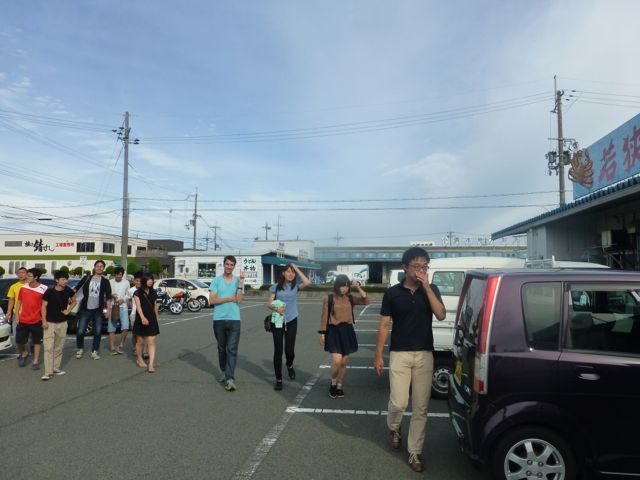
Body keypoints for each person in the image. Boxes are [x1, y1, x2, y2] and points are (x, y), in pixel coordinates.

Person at [373, 247, 446, 473]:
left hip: (424, 354)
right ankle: (394, 427)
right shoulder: (392, 293)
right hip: (399, 353)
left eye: (424, 266)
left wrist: (427, 287)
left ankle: (415, 451)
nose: (420, 270)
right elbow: (384, 325)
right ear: (405, 267)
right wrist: (378, 355)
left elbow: (441, 314)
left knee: (420, 408)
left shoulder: (431, 289)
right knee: (399, 402)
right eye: (416, 266)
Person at [319, 275, 369, 398]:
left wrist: (358, 287)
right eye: (342, 286)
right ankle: (333, 383)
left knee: (343, 362)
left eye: (347, 286)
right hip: (333, 331)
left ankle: (339, 386)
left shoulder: (350, 298)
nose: (344, 288)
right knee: (337, 360)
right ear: (337, 286)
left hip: (347, 330)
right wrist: (322, 334)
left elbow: (366, 300)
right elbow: (324, 317)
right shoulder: (329, 298)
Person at [266, 263, 311, 390]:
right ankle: (279, 379)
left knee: (289, 351)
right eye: (288, 271)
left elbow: (307, 283)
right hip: (277, 320)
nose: (291, 274)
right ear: (283, 273)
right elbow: (269, 303)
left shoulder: (295, 286)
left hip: (292, 320)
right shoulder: (275, 287)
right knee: (278, 351)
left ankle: (289, 365)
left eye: (293, 272)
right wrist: (276, 308)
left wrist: (296, 268)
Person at [209, 255, 244, 392]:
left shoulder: (237, 281)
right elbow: (212, 300)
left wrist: (240, 284)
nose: (229, 266)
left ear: (234, 266)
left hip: (234, 319)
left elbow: (239, 300)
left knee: (232, 349)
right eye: (227, 264)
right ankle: (224, 370)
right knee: (222, 348)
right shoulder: (216, 281)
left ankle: (230, 378)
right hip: (219, 319)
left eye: (231, 265)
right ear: (223, 264)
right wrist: (229, 298)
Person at [41, 270, 77, 380]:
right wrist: (44, 321)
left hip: (62, 323)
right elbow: (43, 306)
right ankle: (48, 372)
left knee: (59, 347)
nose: (66, 281)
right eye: (63, 279)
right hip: (49, 323)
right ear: (57, 280)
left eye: (67, 279)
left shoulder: (68, 290)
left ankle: (56, 368)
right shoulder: (49, 292)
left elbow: (74, 301)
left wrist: (68, 310)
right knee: (48, 347)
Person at [74, 260, 112, 360]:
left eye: (101, 266)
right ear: (94, 267)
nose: (99, 268)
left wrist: (108, 309)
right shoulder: (87, 278)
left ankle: (94, 351)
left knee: (98, 332)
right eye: (97, 266)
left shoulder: (105, 281)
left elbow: (108, 297)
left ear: (103, 268)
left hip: (98, 310)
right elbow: (76, 289)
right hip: (85, 309)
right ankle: (80, 348)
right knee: (80, 331)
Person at [14, 268, 48, 370]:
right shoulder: (23, 288)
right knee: (19, 341)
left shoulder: (44, 288)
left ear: (36, 277)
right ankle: (24, 353)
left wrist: (44, 319)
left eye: (29, 275)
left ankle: (35, 361)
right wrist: (16, 314)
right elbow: (19, 301)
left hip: (37, 320)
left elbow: (46, 305)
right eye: (27, 275)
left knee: (37, 341)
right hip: (23, 320)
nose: (27, 277)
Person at [132, 273, 159, 373]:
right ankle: (139, 359)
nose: (151, 281)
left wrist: (156, 317)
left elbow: (155, 306)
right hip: (141, 319)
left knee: (151, 341)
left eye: (151, 279)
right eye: (148, 279)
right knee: (140, 341)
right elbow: (138, 307)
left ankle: (151, 364)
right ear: (144, 281)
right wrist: (143, 317)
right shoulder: (137, 293)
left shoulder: (154, 292)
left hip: (152, 319)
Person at [108, 266, 130, 355]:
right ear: (115, 274)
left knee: (125, 327)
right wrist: (111, 295)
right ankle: (112, 347)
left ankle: (121, 345)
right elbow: (107, 293)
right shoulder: (110, 282)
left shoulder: (126, 282)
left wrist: (123, 299)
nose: (118, 276)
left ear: (122, 275)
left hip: (123, 307)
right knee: (111, 328)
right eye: (117, 274)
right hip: (113, 307)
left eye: (120, 275)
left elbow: (128, 294)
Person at [6, 267, 28, 344]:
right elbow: (11, 300)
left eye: (23, 272)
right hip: (17, 314)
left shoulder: (30, 285)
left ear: (27, 274)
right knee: (17, 336)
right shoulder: (13, 286)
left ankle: (30, 348)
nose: (20, 274)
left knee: (30, 336)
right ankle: (20, 350)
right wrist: (9, 312)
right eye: (19, 273)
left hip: (29, 314)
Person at [128, 272, 143, 356]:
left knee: (144, 334)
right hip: (134, 314)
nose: (138, 282)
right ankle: (135, 348)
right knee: (135, 334)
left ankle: (143, 350)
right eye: (137, 280)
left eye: (140, 281)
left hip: (143, 314)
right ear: (134, 281)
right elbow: (129, 301)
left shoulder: (145, 289)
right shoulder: (131, 290)